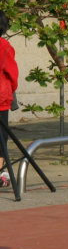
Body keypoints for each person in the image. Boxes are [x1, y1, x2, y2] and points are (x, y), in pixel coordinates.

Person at [0, 10, 18, 187]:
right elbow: (12, 73)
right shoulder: (4, 46)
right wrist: (11, 90)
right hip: (1, 99)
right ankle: (0, 173)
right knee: (1, 137)